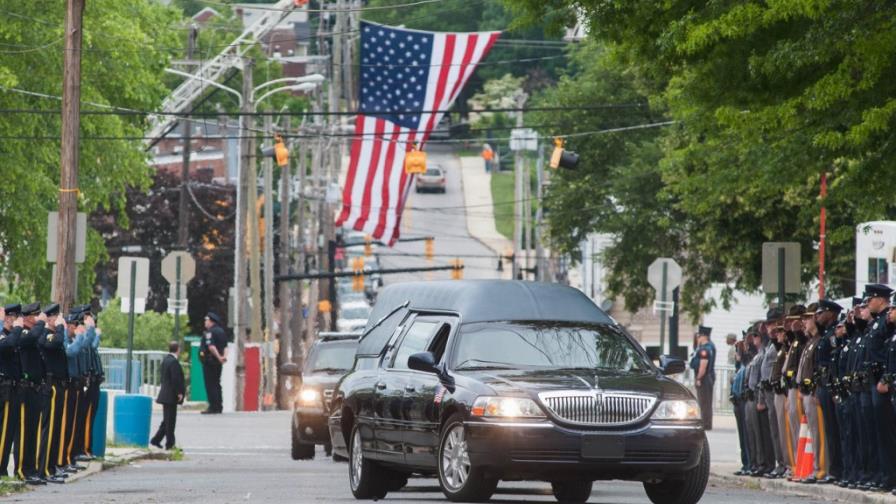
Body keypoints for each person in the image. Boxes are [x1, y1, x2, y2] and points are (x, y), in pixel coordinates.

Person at [863, 283, 896, 492]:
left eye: (870, 299)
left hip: (884, 382)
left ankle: (889, 477)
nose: (868, 303)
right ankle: (883, 475)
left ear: (881, 299)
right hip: (874, 381)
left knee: (887, 434)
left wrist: (886, 378)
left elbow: (887, 354)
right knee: (878, 434)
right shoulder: (876, 322)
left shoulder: (886, 321)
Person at [814, 299, 844, 484]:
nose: (818, 316)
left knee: (835, 429)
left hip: (832, 385)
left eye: (822, 312)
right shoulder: (826, 333)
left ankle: (837, 470)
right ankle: (834, 469)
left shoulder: (835, 333)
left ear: (831, 314)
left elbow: (834, 361)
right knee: (830, 430)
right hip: (824, 384)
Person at [16, 302, 46, 484]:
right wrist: (41, 323)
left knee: (33, 432)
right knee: (24, 432)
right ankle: (22, 470)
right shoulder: (23, 333)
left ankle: (31, 469)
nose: (39, 318)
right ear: (27, 317)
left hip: (36, 388)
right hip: (25, 389)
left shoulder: (35, 334)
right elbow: (32, 337)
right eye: (36, 315)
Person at [36, 304, 67, 483]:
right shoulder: (45, 335)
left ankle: (52, 467)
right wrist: (61, 327)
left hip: (59, 385)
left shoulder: (54, 334)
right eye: (56, 317)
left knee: (55, 430)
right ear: (49, 319)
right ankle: (44, 469)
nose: (59, 320)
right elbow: (56, 342)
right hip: (51, 386)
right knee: (49, 430)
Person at [796, 303, 825, 484]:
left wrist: (814, 390)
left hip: (813, 392)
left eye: (807, 318)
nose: (804, 322)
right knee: (812, 433)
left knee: (817, 432)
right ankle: (815, 468)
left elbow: (817, 369)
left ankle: (820, 469)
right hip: (805, 392)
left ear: (815, 318)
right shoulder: (810, 342)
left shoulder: (819, 340)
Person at [759, 313, 787, 478]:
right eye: (768, 325)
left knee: (779, 428)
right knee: (774, 429)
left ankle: (783, 463)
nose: (769, 328)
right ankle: (780, 462)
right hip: (768, 391)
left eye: (772, 324)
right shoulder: (771, 343)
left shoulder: (780, 343)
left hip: (777, 390)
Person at [0, 304, 22, 478]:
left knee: (9, 432)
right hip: (4, 387)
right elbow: (7, 345)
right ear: (7, 318)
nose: (18, 322)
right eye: (15, 317)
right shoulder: (4, 335)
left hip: (13, 387)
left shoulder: (12, 335)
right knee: (4, 430)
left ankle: (3, 468)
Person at [151, 341, 185, 450]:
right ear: (178, 349)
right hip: (170, 395)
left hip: (165, 394)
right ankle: (170, 444)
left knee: (167, 420)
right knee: (170, 422)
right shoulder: (173, 362)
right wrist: (179, 392)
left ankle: (156, 440)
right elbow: (175, 379)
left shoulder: (166, 360)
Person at [731, 335, 752, 476]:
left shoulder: (749, 360)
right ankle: (745, 463)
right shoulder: (740, 365)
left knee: (747, 435)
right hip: (737, 400)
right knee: (742, 436)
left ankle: (750, 463)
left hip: (744, 399)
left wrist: (743, 354)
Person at [200, 312, 227, 414]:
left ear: (211, 321)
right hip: (218, 363)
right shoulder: (221, 331)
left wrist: (219, 357)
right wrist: (223, 357)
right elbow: (225, 346)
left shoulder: (209, 333)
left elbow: (211, 347)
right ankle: (219, 406)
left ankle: (213, 407)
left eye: (206, 320)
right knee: (217, 384)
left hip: (210, 362)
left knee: (210, 385)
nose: (205, 322)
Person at [690, 325, 715, 430]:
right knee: (706, 402)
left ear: (704, 336)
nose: (698, 338)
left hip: (704, 378)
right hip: (707, 377)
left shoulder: (705, 349)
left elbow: (703, 366)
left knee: (704, 402)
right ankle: (706, 423)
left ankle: (705, 424)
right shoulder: (709, 347)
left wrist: (699, 378)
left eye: (699, 336)